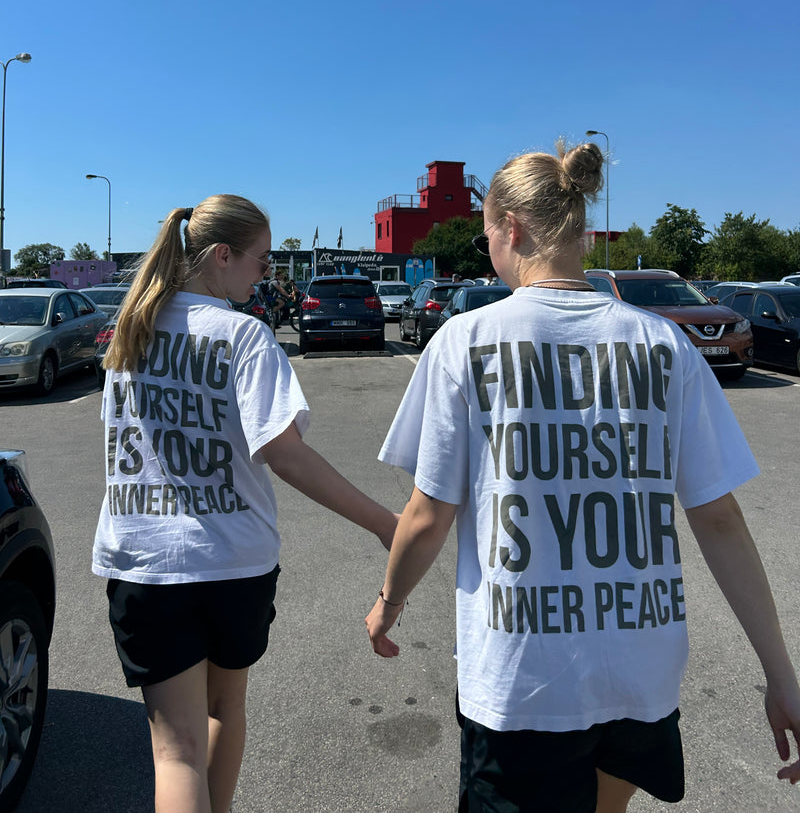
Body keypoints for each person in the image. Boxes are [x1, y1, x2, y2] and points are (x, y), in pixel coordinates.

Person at [365, 141, 800, 812]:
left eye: (488, 239)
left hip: (521, 679)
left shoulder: (464, 341)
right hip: (640, 672)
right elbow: (719, 517)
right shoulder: (663, 345)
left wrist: (389, 602)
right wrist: (782, 675)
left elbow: (427, 513)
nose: (491, 254)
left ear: (511, 227)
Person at [93, 194, 397, 813]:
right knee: (225, 709)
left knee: (173, 752)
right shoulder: (244, 336)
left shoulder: (130, 333)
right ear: (222, 255)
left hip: (145, 561)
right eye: (261, 260)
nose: (266, 274)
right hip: (233, 561)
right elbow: (285, 455)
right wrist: (384, 523)